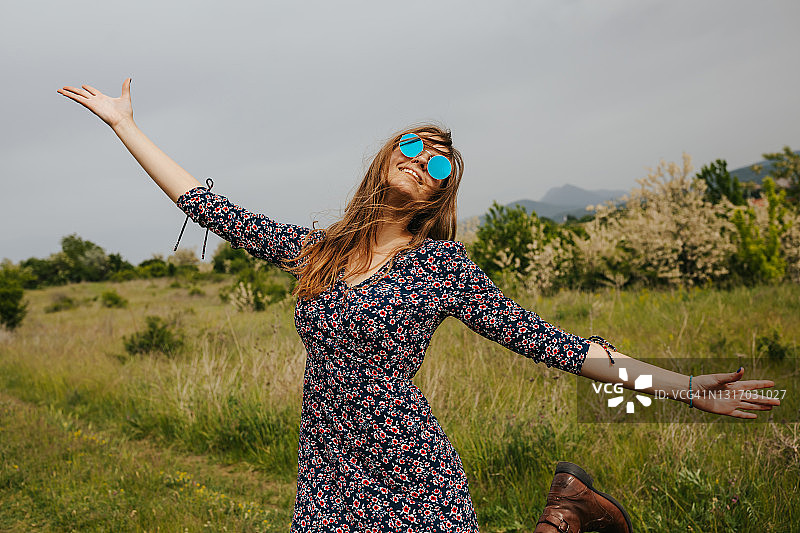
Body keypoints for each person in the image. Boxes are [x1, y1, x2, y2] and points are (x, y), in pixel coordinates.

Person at [58, 78, 780, 533]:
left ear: (438, 195)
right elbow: (209, 207)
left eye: (438, 163)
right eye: (412, 145)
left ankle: (568, 514)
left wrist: (683, 387)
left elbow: (554, 343)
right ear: (386, 157)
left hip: (408, 467)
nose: (421, 158)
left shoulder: (440, 268)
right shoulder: (319, 252)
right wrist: (125, 125)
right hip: (325, 469)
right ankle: (566, 513)